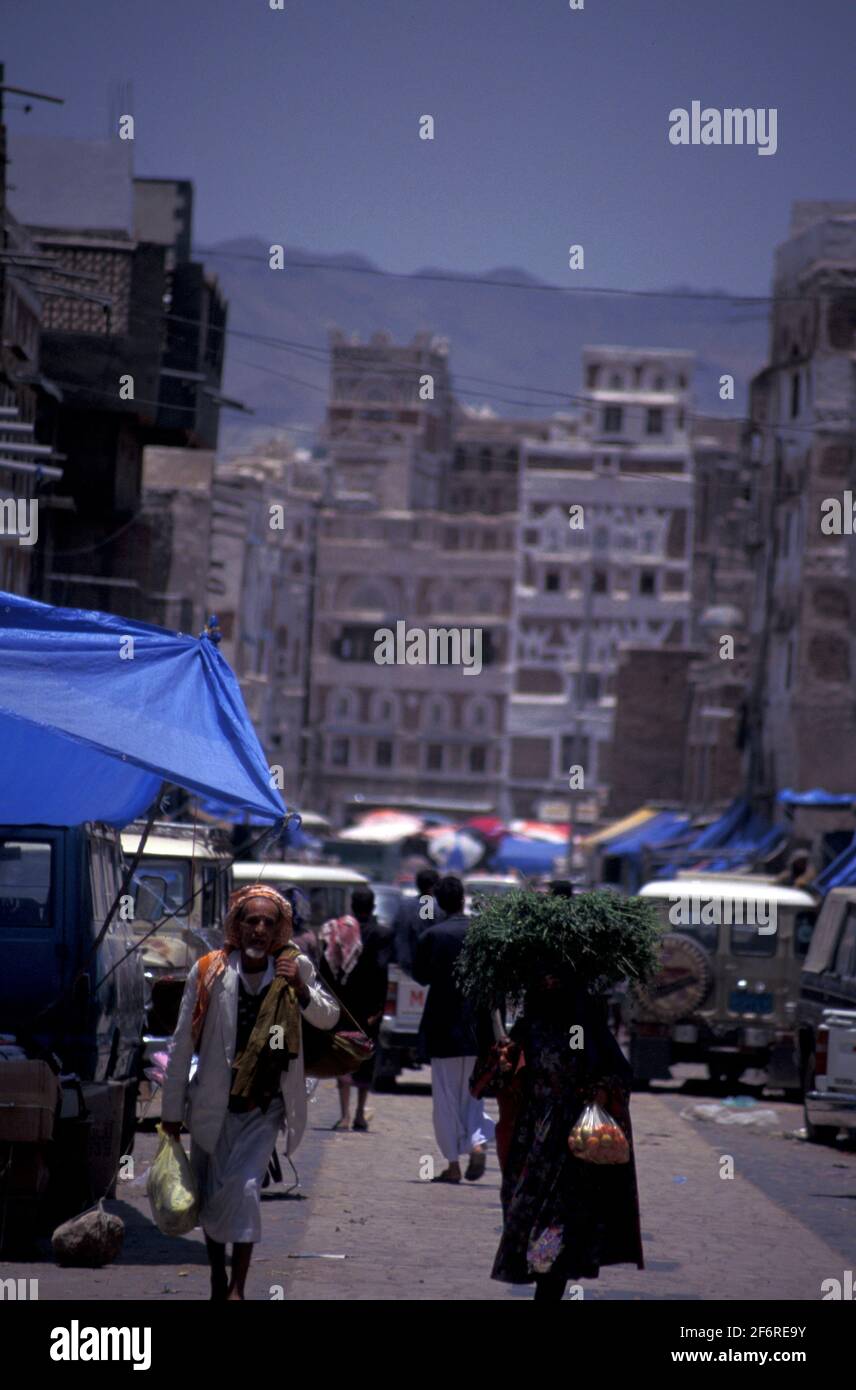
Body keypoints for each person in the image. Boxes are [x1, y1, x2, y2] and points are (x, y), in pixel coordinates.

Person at [160, 883, 339, 1300]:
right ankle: (216, 1278)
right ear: (236, 927)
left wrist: (300, 989)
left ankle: (238, 1287)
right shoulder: (209, 971)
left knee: (243, 1191)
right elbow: (182, 1043)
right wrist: (170, 1115)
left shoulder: (295, 968)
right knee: (211, 1195)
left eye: (268, 922)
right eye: (251, 920)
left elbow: (328, 1017)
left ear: (279, 930)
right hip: (213, 1104)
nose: (259, 929)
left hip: (265, 1106)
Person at [491, 966, 644, 1301]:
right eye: (543, 974)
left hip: (569, 1138)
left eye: (555, 974)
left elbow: (614, 1070)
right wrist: (504, 1062)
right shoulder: (531, 1021)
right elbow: (511, 1069)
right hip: (532, 1135)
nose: (548, 979)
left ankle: (550, 1284)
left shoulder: (582, 1021)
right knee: (522, 1208)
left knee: (558, 1214)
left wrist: (600, 1089)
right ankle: (540, 1271)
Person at [412, 874, 495, 1183]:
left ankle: (453, 1165)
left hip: (442, 1027)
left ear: (439, 903)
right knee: (473, 1094)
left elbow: (420, 976)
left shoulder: (432, 936)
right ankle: (476, 1142)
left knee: (445, 1099)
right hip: (476, 1027)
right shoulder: (482, 934)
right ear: (463, 898)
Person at [319, 885, 393, 1132]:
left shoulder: (337, 931)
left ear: (352, 906)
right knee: (366, 1058)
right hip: (369, 1008)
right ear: (372, 907)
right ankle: (360, 1113)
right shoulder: (382, 934)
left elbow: (326, 968)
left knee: (343, 1055)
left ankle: (344, 1115)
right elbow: (383, 971)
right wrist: (380, 1008)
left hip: (343, 1004)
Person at [392, 866, 443, 977]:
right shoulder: (431, 905)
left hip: (404, 965)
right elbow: (425, 932)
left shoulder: (403, 906)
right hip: (427, 969)